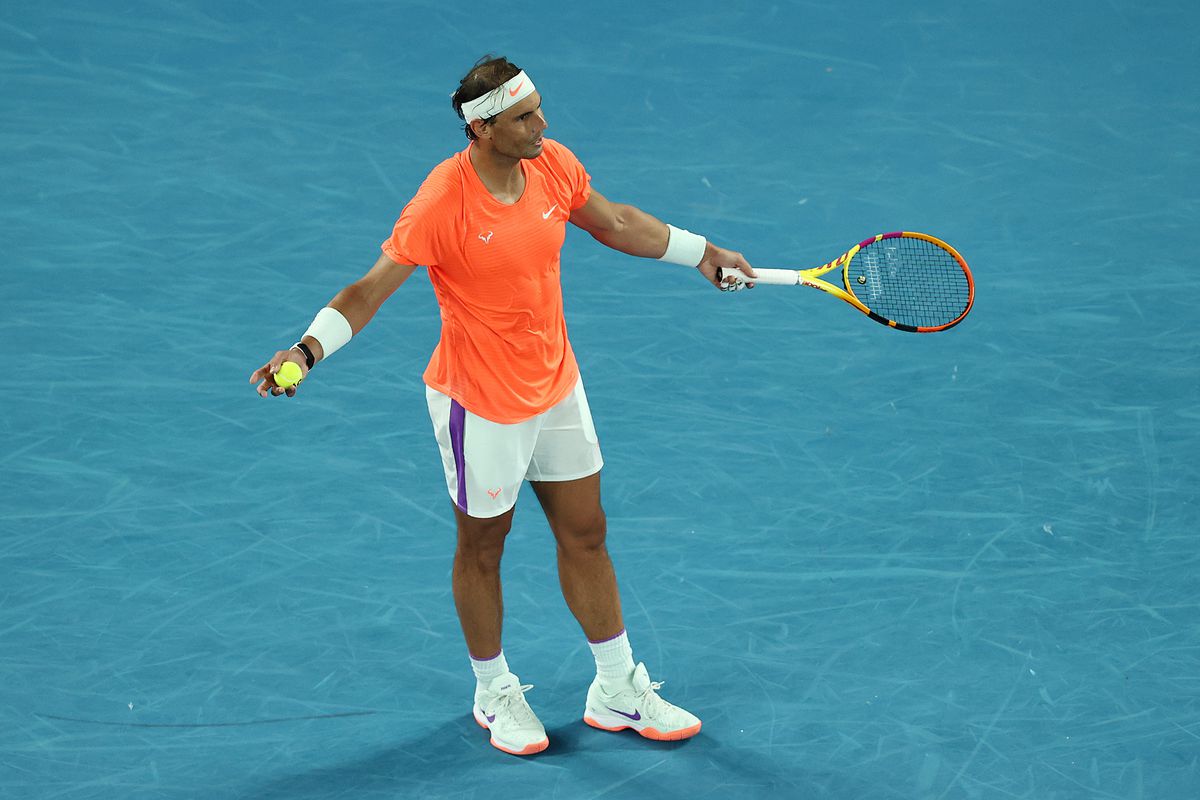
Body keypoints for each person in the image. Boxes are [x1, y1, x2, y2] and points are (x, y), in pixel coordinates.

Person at [250, 55, 756, 756]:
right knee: (483, 549)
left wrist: (700, 252)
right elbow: (367, 291)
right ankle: (493, 690)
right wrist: (304, 353)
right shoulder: (442, 202)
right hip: (480, 402)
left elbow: (614, 221)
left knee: (586, 533)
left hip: (556, 384)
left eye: (540, 109)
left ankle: (615, 687)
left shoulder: (550, 164)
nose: (542, 126)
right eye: (525, 118)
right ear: (483, 130)